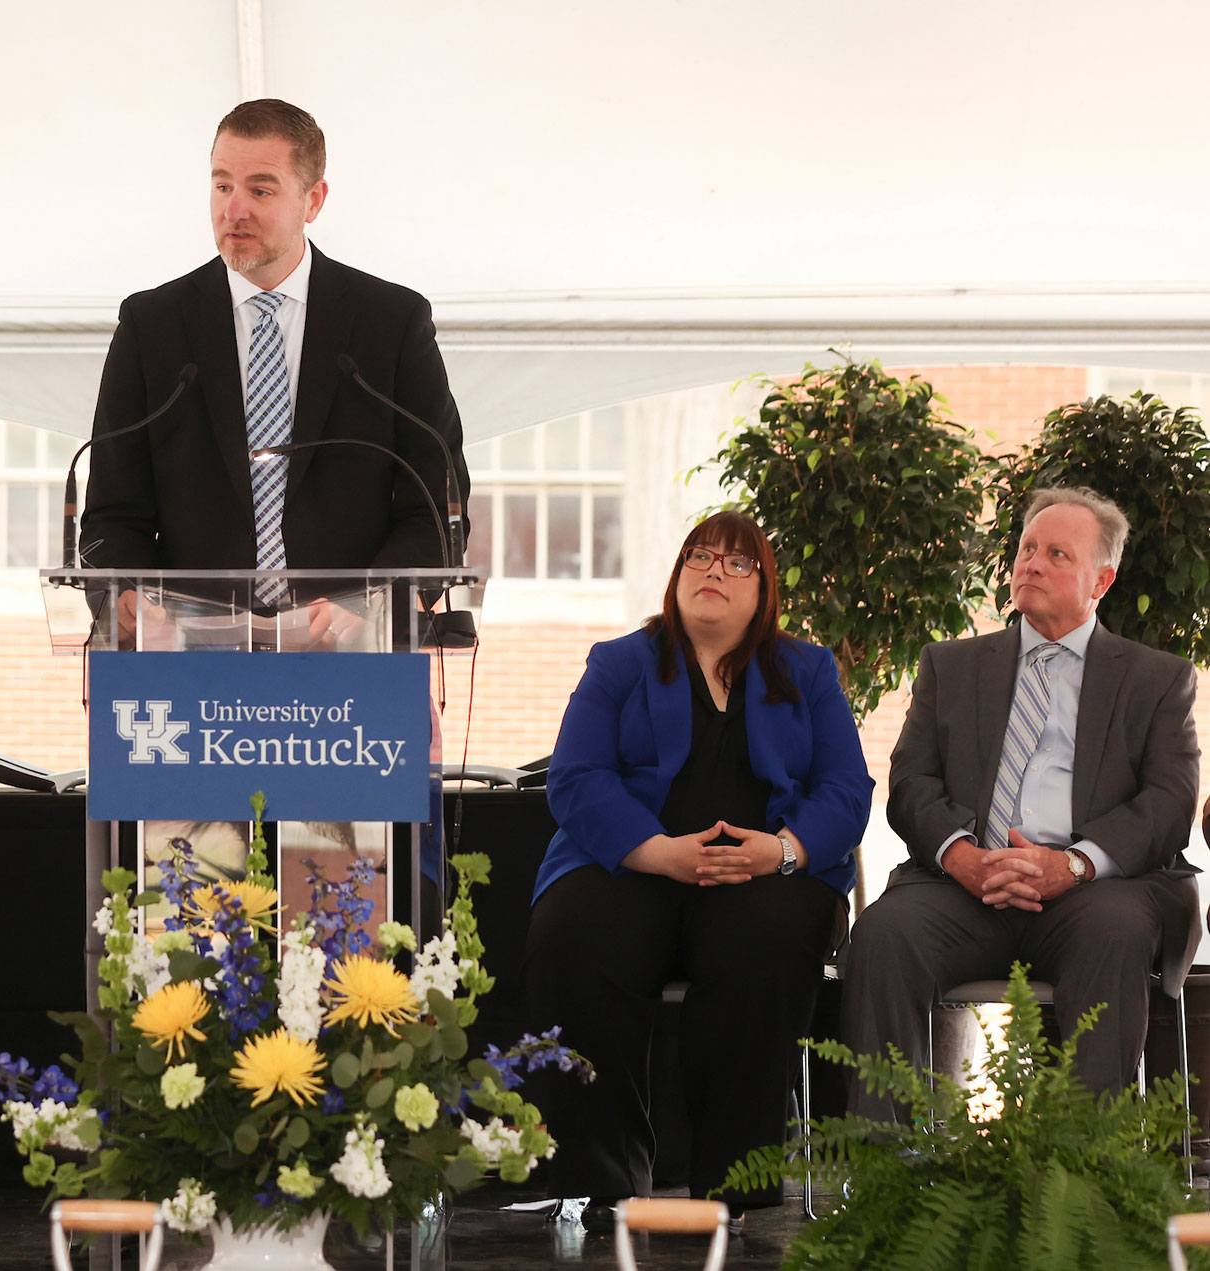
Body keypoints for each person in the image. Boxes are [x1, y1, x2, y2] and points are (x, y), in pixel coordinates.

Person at [523, 510, 872, 1227]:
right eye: (699, 557)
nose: (713, 571)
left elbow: (847, 790)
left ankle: (731, 1189)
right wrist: (660, 852)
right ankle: (603, 1182)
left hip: (761, 875)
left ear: (765, 589)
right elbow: (576, 778)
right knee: (575, 933)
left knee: (770, 937)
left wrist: (778, 851)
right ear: (676, 575)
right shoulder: (621, 662)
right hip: (635, 866)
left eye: (736, 562)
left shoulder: (806, 670)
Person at [843, 487, 1199, 1116]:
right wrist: (961, 857)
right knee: (884, 935)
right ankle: (886, 1180)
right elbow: (912, 780)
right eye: (1027, 548)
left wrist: (1076, 865)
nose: (1031, 563)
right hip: (964, 888)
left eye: (1057, 554)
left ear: (1102, 580)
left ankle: (1082, 1181)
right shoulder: (950, 666)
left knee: (1116, 932)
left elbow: (1170, 803)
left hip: (1094, 892)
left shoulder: (1155, 678)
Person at [79, 97, 470, 633]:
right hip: (191, 658)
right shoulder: (153, 325)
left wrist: (370, 603)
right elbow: (111, 514)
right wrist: (123, 593)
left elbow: (437, 509)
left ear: (313, 200)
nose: (233, 209)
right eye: (222, 186)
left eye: (260, 189)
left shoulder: (390, 323)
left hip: (352, 654)